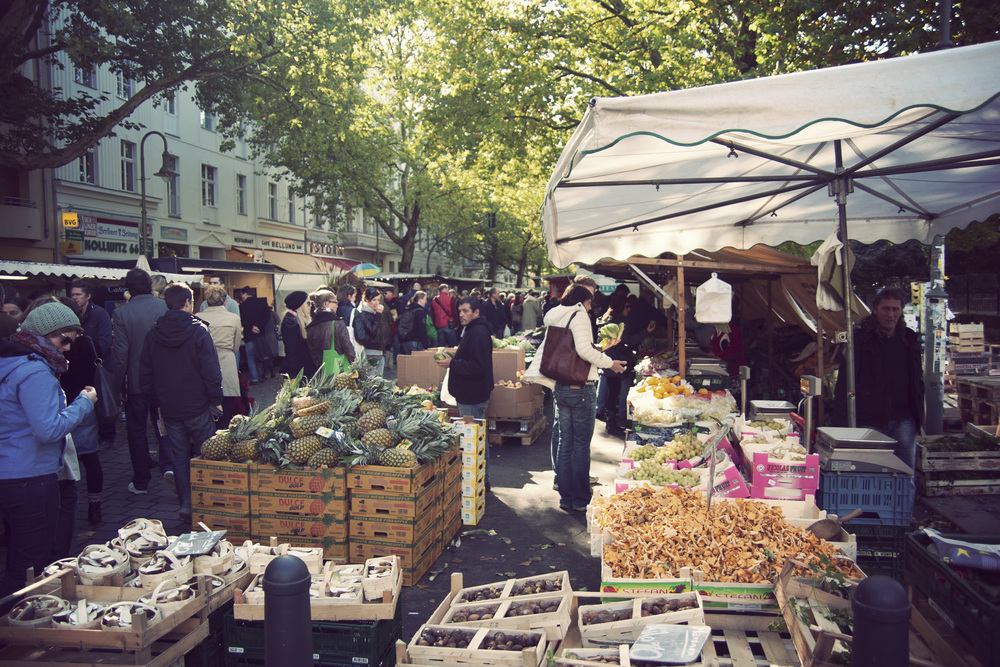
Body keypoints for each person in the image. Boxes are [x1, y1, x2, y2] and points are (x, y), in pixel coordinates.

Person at [0, 301, 96, 610]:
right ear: (43, 334)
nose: (67, 348)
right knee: (30, 564)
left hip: (10, 473)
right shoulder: (34, 371)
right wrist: (83, 403)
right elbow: (49, 430)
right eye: (63, 339)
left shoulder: (9, 363)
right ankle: (17, 630)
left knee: (17, 554)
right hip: (31, 478)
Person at [525, 284, 626, 512]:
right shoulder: (579, 314)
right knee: (580, 446)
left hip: (561, 385)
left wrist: (602, 347)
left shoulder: (557, 315)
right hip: (581, 388)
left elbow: (576, 348)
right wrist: (612, 363)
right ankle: (580, 499)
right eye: (590, 303)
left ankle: (566, 497)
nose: (591, 308)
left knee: (564, 443)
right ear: (582, 301)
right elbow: (583, 352)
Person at [140, 283, 223, 523]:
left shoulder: (153, 332)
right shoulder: (198, 331)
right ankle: (210, 503)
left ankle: (186, 503)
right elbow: (211, 369)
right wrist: (216, 399)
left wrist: (155, 403)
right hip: (197, 404)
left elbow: (145, 372)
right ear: (188, 302)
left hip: (169, 407)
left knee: (179, 457)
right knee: (207, 452)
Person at [833, 287, 923, 472]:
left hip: (904, 419)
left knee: (905, 475)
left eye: (895, 309)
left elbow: (916, 381)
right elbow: (844, 383)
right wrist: (841, 424)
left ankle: (904, 503)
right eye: (885, 308)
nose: (890, 314)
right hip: (871, 420)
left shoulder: (909, 340)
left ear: (901, 311)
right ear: (875, 309)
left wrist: (918, 415)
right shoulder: (860, 340)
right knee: (871, 473)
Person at [112, 269, 173, 495]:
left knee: (136, 431)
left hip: (136, 382)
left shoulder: (122, 313)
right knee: (164, 427)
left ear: (128, 288)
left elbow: (120, 355)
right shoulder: (164, 307)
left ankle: (141, 481)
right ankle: (170, 468)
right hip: (164, 379)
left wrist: (119, 385)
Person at [435, 296, 495, 486]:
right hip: (470, 394)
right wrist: (454, 357)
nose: (461, 314)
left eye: (465, 311)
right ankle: (480, 480)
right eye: (460, 311)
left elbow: (478, 367)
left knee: (475, 439)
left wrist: (453, 363)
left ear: (476, 312)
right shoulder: (472, 330)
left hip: (473, 396)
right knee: (475, 437)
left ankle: (481, 482)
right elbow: (472, 359)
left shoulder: (477, 332)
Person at [196, 285, 243, 426]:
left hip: (202, 365)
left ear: (206, 302)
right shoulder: (233, 318)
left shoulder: (197, 317)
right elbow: (236, 345)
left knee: (204, 408)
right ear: (225, 302)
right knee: (226, 408)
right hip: (226, 362)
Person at [306, 291, 355, 375]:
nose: (337, 305)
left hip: (318, 373)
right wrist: (355, 365)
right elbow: (347, 347)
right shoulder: (337, 323)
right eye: (335, 302)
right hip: (339, 373)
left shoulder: (310, 327)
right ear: (326, 303)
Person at [237, 287, 271, 384]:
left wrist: (251, 327)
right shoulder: (262, 304)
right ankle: (259, 376)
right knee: (260, 356)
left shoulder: (242, 306)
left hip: (249, 335)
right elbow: (267, 317)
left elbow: (242, 320)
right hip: (260, 335)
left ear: (244, 294)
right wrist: (259, 327)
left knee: (251, 357)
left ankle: (254, 377)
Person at [279, 291, 314, 377]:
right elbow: (291, 351)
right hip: (298, 371)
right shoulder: (291, 323)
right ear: (300, 305)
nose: (311, 306)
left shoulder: (297, 320)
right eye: (308, 303)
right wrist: (293, 375)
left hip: (303, 369)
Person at [353, 287, 387, 375]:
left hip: (379, 352)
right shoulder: (362, 314)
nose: (377, 303)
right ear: (366, 300)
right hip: (370, 353)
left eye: (378, 300)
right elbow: (372, 331)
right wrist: (378, 314)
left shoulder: (374, 313)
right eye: (374, 300)